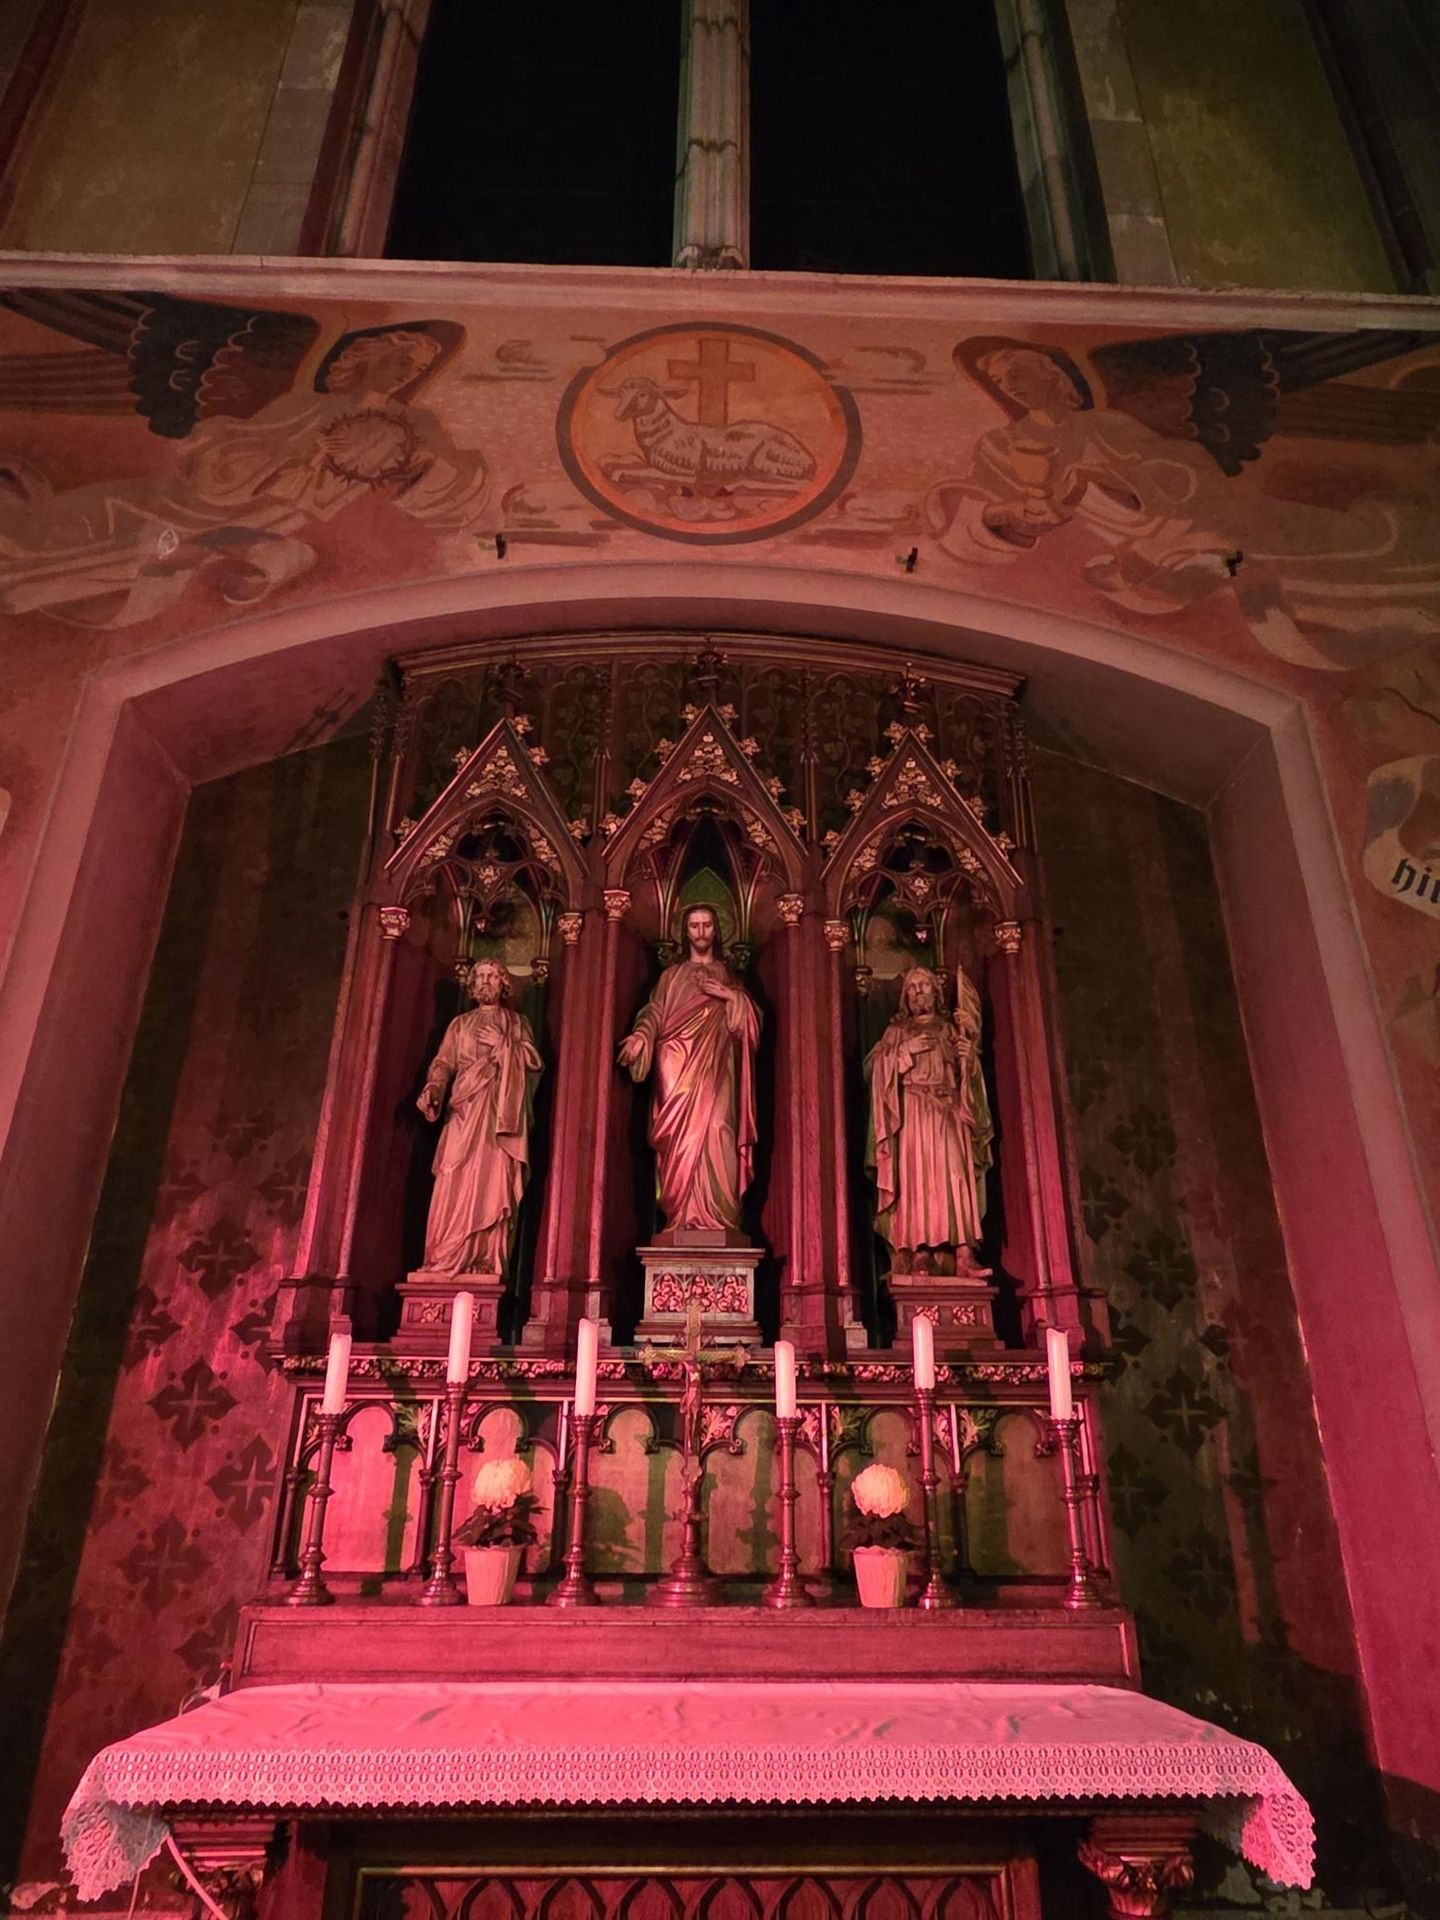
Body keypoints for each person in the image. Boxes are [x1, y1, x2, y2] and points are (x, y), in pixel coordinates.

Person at [617, 904, 760, 1238]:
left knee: (720, 1128)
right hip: (676, 1064)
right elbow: (654, 1012)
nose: (700, 932)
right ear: (686, 931)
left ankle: (720, 1216)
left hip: (717, 1066)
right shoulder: (671, 976)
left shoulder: (727, 974)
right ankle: (681, 1215)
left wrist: (729, 995)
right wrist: (641, 1037)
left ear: (716, 930)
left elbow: (751, 1026)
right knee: (680, 1140)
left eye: (707, 925)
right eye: (694, 926)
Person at [416, 959, 543, 1274]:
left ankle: (483, 1258)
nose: (485, 981)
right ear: (472, 986)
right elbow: (443, 1062)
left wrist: (504, 1046)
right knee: (452, 1176)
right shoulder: (460, 1025)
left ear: (503, 983)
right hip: (462, 1112)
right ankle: (444, 1256)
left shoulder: (515, 1023)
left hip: (498, 1116)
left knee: (491, 1181)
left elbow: (534, 1063)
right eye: (480, 976)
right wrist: (434, 1088)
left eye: (492, 976)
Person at [865, 965, 993, 1274]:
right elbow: (872, 1070)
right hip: (913, 1114)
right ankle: (918, 1251)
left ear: (936, 992)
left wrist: (969, 1057)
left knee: (956, 1177)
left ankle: (963, 1253)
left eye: (923, 985)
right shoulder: (897, 1032)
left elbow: (970, 1080)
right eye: (911, 987)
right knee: (917, 1180)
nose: (917, 992)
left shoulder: (951, 1029)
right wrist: (903, 1052)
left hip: (949, 1111)